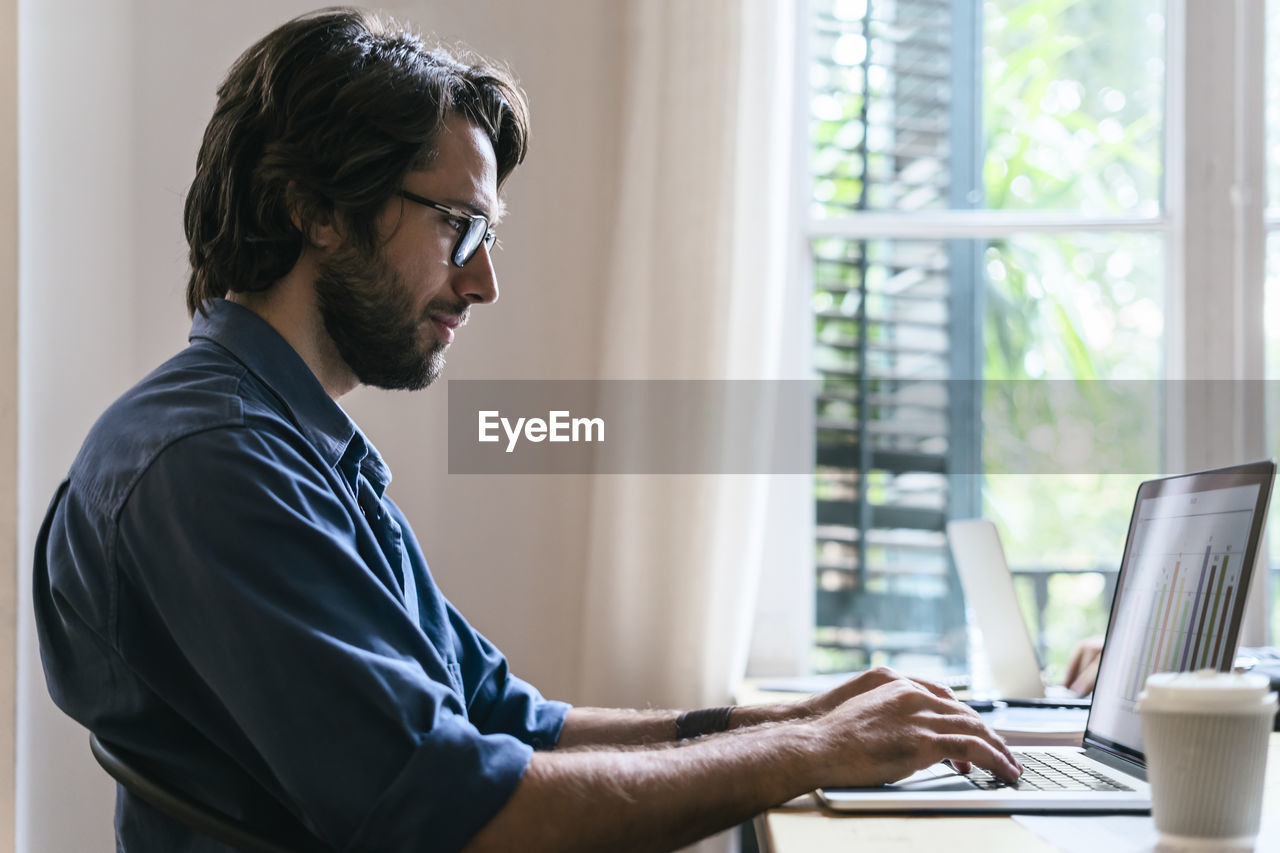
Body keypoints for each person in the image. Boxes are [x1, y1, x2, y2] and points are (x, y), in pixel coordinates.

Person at [32, 8, 1021, 851]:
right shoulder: (210, 464)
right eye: (457, 228)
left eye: (487, 238)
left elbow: (508, 721)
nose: (483, 280)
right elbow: (458, 811)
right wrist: (808, 753)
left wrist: (788, 719)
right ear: (318, 211)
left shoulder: (289, 447)